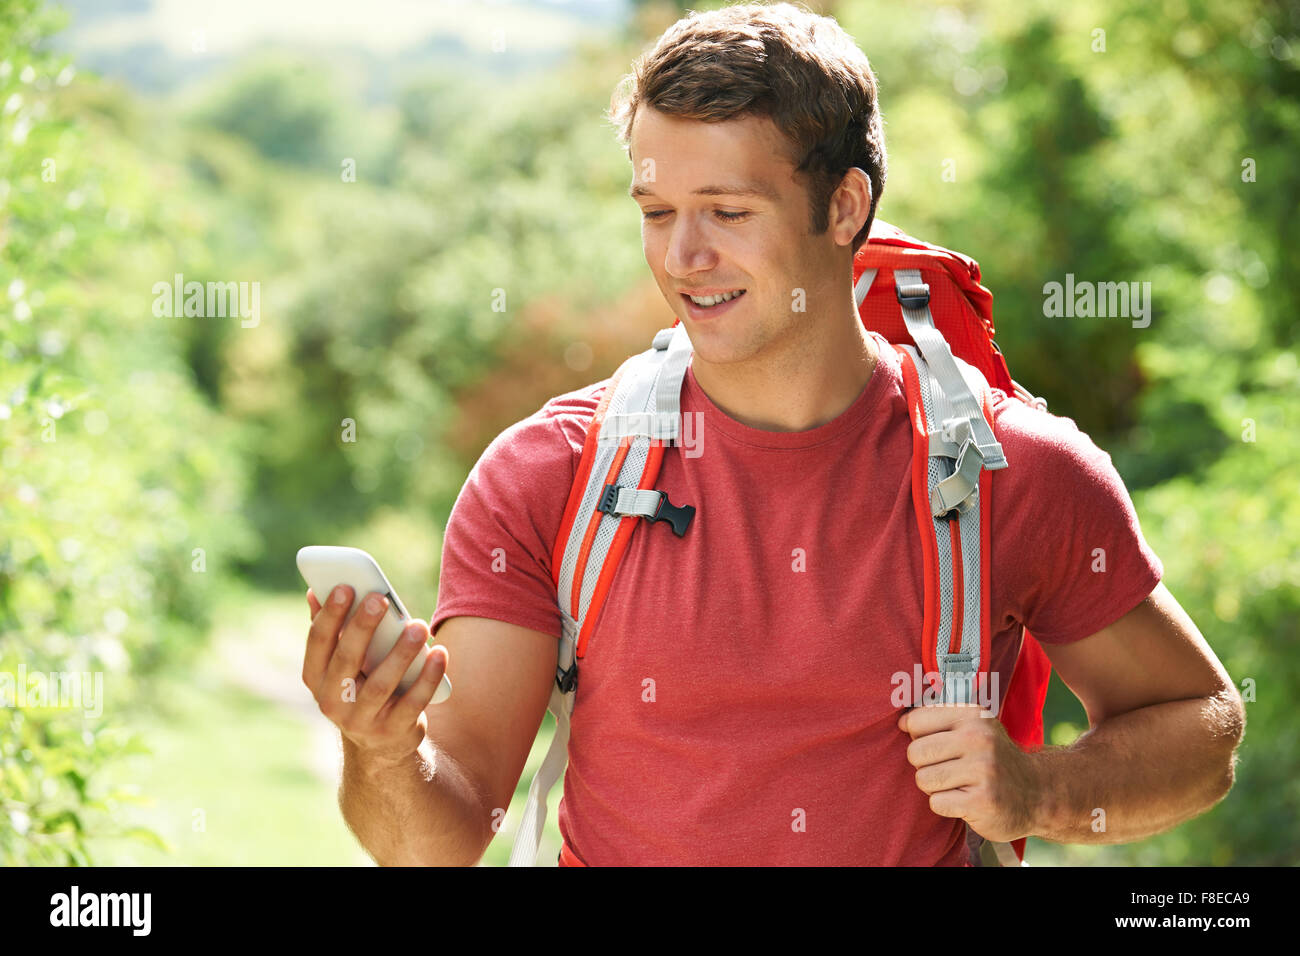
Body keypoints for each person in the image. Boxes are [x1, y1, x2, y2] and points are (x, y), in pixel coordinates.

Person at [300, 1, 1244, 866]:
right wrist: (382, 751)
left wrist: (1040, 789)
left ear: (844, 206)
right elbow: (442, 836)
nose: (683, 257)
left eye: (728, 213)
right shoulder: (548, 475)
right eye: (658, 213)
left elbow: (1202, 728)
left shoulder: (1009, 473)